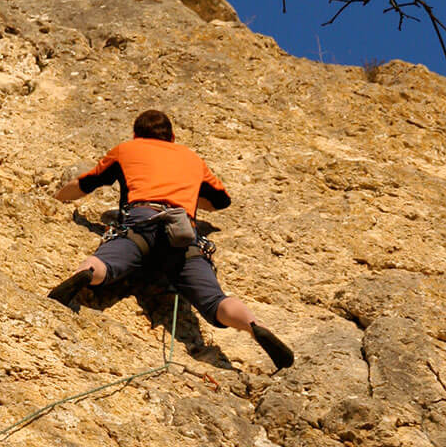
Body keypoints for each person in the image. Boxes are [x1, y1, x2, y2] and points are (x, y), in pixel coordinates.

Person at [47, 109, 293, 369]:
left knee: (106, 262)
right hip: (182, 233)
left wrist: (56, 198)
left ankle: (86, 273)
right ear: (172, 136)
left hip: (140, 224)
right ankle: (253, 324)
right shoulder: (191, 159)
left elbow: (86, 183)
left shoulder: (126, 150)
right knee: (214, 300)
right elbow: (221, 200)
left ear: (135, 133)